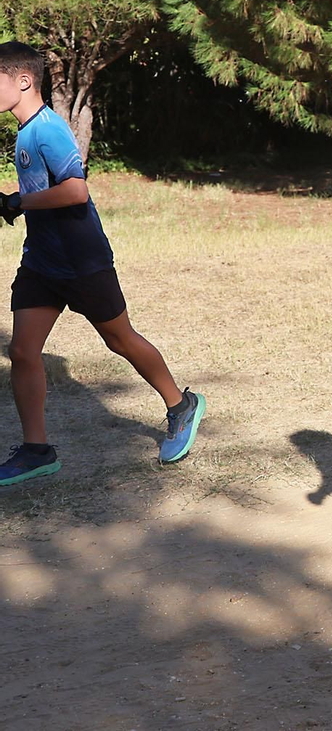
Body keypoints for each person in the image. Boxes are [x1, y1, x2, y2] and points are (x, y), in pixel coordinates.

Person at [0, 42, 205, 486]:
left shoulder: (48, 130)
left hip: (81, 260)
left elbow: (76, 191)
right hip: (41, 262)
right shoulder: (25, 133)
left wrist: (18, 202)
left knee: (120, 339)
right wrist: (14, 202)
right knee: (22, 352)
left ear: (23, 81)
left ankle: (180, 404)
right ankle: (37, 450)